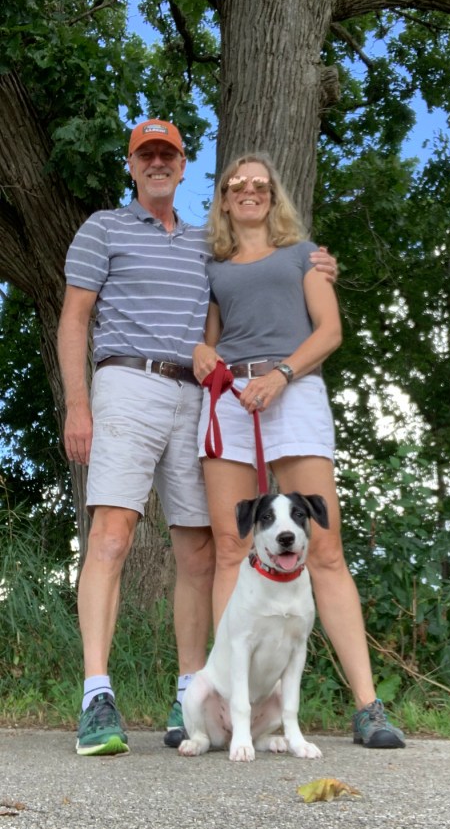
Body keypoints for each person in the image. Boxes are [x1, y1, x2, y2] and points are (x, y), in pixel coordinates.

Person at [57, 119, 338, 755]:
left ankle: (191, 690)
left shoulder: (205, 245)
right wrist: (78, 402)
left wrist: (319, 264)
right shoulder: (103, 227)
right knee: (110, 535)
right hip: (127, 382)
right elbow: (75, 317)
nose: (157, 163)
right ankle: (97, 695)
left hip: (199, 397)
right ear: (132, 164)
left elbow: (261, 271)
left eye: (169, 154)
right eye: (146, 154)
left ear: (184, 166)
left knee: (201, 550)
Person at [193, 152, 405, 750]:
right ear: (225, 198)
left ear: (273, 195)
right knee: (232, 547)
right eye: (238, 184)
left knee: (325, 548)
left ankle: (368, 706)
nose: (250, 191)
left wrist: (281, 375)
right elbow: (209, 342)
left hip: (293, 388)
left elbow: (330, 331)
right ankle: (228, 707)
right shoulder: (214, 267)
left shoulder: (303, 254)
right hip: (230, 399)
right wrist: (204, 353)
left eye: (260, 184)